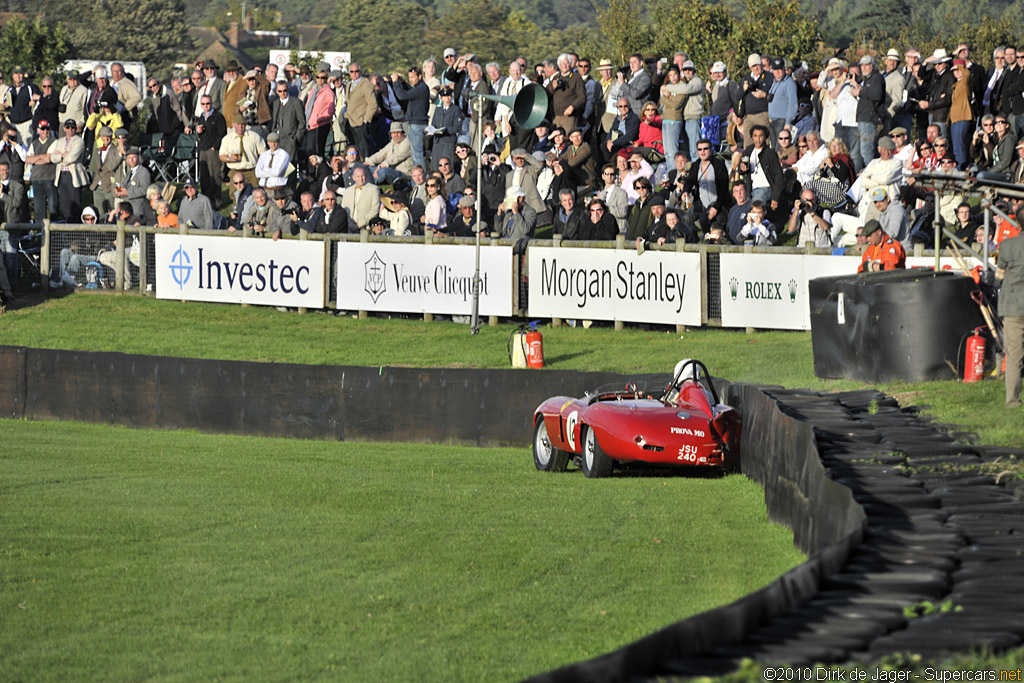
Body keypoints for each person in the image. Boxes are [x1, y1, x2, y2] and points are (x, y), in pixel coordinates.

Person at [681, 138, 730, 236]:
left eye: (705, 149)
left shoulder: (719, 165)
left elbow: (724, 189)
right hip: (701, 202)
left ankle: (708, 239)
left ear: (711, 150)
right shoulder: (695, 165)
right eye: (700, 149)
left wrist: (716, 207)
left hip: (718, 202)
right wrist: (685, 191)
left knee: (705, 219)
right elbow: (690, 181)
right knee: (685, 219)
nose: (702, 151)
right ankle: (693, 240)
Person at [50, 120, 88, 221]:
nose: (70, 129)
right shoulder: (60, 141)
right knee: (64, 206)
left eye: (72, 127)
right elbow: (52, 158)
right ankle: (68, 233)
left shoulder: (79, 141)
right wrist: (63, 154)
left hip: (73, 175)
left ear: (76, 129)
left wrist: (59, 156)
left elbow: (72, 158)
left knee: (75, 206)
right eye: (68, 127)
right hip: (61, 175)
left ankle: (76, 232)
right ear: (64, 128)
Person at [25, 120, 57, 221]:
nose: (45, 131)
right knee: (39, 210)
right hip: (36, 179)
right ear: (38, 130)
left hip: (50, 178)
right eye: (43, 129)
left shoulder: (54, 141)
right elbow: (28, 159)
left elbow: (49, 159)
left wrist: (35, 159)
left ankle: (54, 234)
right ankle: (40, 234)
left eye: (47, 128)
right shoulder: (34, 143)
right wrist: (42, 157)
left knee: (53, 208)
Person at [341, 166, 381, 231]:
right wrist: (350, 225)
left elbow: (374, 210)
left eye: (362, 176)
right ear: (353, 178)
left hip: (366, 228)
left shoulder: (373, 189)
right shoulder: (347, 191)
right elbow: (343, 210)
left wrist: (359, 225)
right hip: (349, 229)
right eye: (358, 176)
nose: (361, 179)